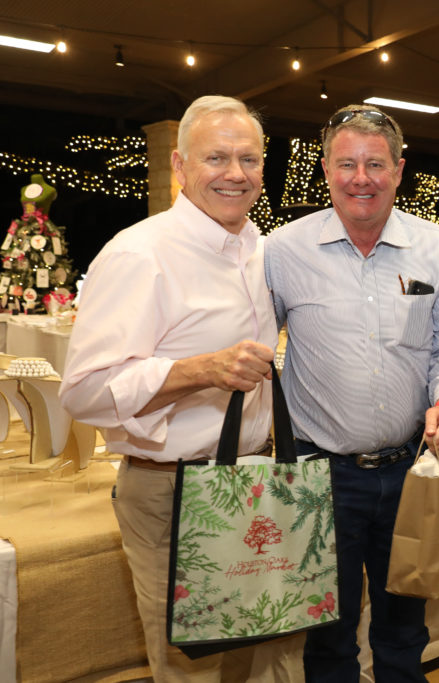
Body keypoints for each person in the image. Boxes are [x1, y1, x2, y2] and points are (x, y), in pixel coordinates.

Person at [60, 95, 303, 680]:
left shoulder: (261, 250)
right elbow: (84, 391)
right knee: (192, 667)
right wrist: (198, 370)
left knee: (266, 649)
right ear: (180, 165)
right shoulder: (140, 253)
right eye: (216, 157)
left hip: (253, 487)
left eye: (249, 158)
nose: (235, 173)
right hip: (173, 494)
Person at [263, 104, 439, 682]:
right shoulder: (283, 250)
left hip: (412, 475)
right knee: (328, 637)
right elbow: (253, 351)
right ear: (325, 169)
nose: (361, 178)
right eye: (347, 164)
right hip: (321, 475)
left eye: (375, 164)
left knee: (405, 631)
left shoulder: (438, 248)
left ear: (399, 170)